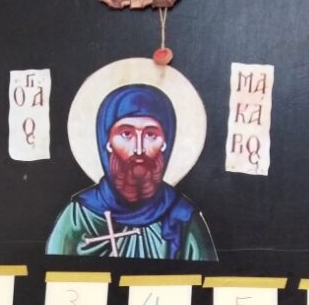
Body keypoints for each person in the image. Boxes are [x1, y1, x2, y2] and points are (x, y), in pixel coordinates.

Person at [46, 84, 217, 260]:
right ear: (107, 142)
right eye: (127, 134)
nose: (139, 149)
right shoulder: (78, 216)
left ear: (166, 143)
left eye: (150, 134)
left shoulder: (183, 217)